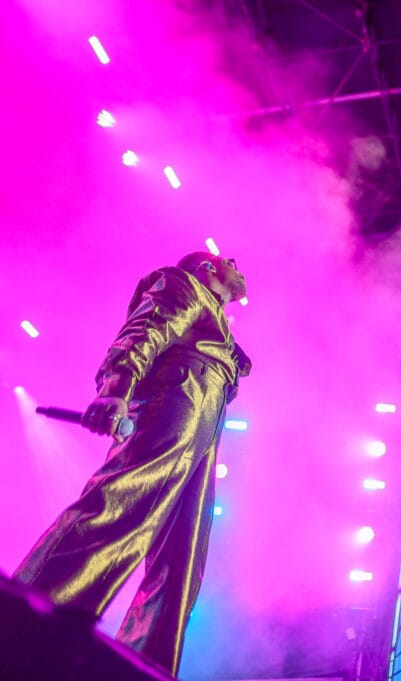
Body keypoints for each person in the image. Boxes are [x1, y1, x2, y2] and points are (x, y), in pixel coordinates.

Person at [13, 252, 251, 677]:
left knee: (182, 555)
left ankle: (147, 663)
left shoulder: (216, 321)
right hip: (180, 394)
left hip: (205, 416)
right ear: (205, 269)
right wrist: (117, 386)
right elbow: (147, 327)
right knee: (125, 505)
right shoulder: (183, 283)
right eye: (224, 259)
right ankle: (30, 613)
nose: (235, 262)